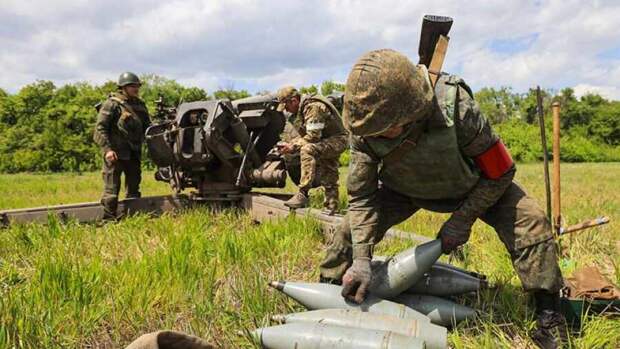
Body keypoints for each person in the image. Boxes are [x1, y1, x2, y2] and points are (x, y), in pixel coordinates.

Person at [318, 49, 567, 348]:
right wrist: (360, 260)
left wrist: (462, 220)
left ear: (412, 109)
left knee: (532, 223)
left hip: (473, 186)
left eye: (386, 130)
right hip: (404, 191)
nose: (377, 137)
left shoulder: (457, 107)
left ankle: (549, 314)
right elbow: (362, 196)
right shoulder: (365, 128)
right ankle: (327, 295)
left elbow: (501, 171)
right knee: (347, 232)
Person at [275, 86, 347, 214]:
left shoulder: (313, 107)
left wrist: (293, 146)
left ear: (294, 101)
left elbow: (313, 136)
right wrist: (290, 144)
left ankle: (303, 194)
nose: (287, 110)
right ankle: (332, 207)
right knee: (329, 173)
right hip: (329, 140)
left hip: (337, 141)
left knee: (308, 149)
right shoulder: (304, 108)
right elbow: (306, 136)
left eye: (286, 106)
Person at [93, 72, 151, 221]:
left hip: (133, 154)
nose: (136, 88)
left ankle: (132, 219)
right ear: (123, 87)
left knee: (134, 190)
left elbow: (148, 128)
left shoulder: (140, 105)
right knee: (111, 191)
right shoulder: (112, 104)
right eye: (132, 86)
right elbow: (100, 129)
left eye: (137, 86)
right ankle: (108, 221)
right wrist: (107, 150)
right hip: (115, 154)